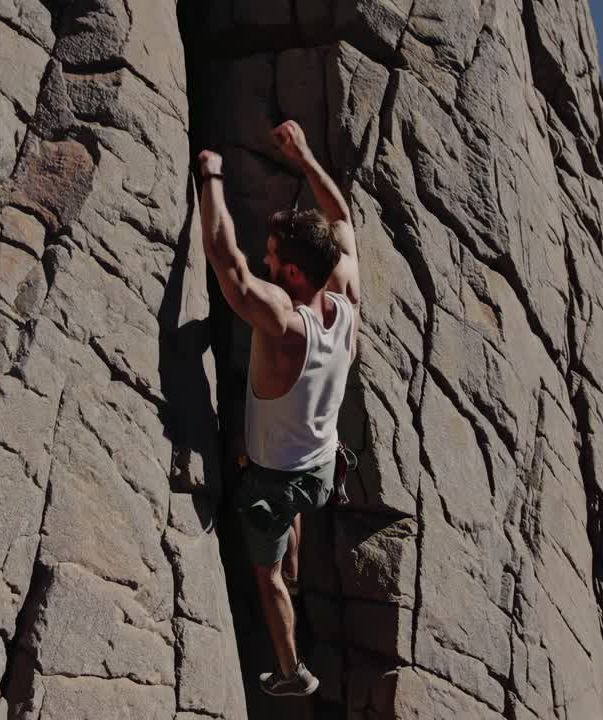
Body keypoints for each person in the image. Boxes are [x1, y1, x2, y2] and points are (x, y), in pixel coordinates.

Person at [197, 120, 360, 697]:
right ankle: (295, 560)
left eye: (274, 257)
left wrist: (210, 178)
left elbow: (229, 268)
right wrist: (306, 154)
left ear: (293, 273)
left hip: (276, 481)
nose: (266, 261)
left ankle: (293, 672)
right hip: (320, 468)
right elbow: (340, 216)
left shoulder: (288, 326)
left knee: (266, 577)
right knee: (296, 513)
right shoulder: (346, 298)